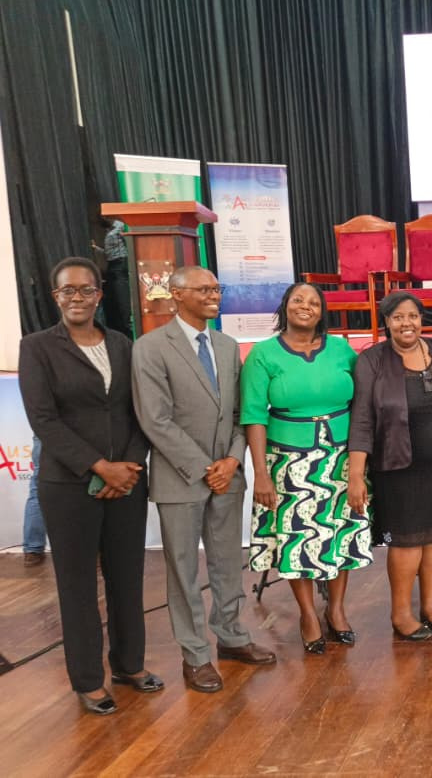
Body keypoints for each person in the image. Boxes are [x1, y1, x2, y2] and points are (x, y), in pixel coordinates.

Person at [18, 256, 159, 715]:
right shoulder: (37, 347)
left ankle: (129, 665)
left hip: (127, 482)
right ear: (55, 297)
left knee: (127, 578)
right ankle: (87, 679)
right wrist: (100, 467)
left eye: (85, 290)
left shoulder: (121, 343)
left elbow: (141, 410)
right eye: (67, 291)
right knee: (77, 585)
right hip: (70, 484)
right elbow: (44, 421)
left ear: (100, 294)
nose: (76, 298)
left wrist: (129, 466)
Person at [132, 265, 276, 694]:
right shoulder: (150, 347)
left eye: (217, 288)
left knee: (228, 562)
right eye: (204, 289)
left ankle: (230, 637)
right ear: (176, 295)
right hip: (181, 479)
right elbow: (155, 420)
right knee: (182, 569)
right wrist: (203, 468)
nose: (214, 295)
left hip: (227, 476)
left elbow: (240, 413)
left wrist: (232, 461)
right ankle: (195, 655)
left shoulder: (228, 346)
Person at [242, 283, 373, 654]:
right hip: (287, 460)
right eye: (298, 300)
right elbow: (253, 416)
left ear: (323, 311)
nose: (306, 306)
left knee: (340, 532)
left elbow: (364, 400)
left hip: (342, 458)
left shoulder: (341, 349)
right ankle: (307, 615)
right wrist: (261, 475)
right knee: (296, 538)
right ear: (284, 307)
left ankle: (337, 610)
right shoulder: (263, 355)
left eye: (314, 302)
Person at [348, 292, 432, 640]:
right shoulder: (372, 360)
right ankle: (400, 613)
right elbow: (361, 420)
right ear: (387, 322)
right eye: (398, 317)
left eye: (413, 316)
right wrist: (356, 474)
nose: (407, 323)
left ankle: (431, 607)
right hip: (398, 464)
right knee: (406, 541)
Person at [22, 436, 45, 566]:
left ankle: (33, 550)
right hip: (83, 428)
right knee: (86, 486)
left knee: (38, 489)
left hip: (46, 428)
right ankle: (94, 550)